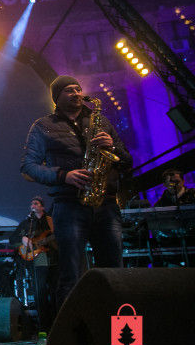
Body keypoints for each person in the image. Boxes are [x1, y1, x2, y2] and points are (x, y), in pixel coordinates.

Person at [21, 75, 132, 307]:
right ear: (57, 97)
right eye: (69, 90)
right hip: (69, 205)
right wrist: (64, 175)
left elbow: (127, 161)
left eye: (78, 89)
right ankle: (71, 328)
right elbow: (28, 167)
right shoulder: (43, 126)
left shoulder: (101, 122)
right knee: (71, 273)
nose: (77, 93)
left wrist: (112, 146)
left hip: (106, 204)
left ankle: (115, 327)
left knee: (115, 272)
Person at [8, 196, 58, 332]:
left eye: (36, 203)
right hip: (39, 258)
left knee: (55, 290)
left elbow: (58, 235)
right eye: (31, 204)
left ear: (42, 207)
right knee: (40, 291)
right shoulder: (27, 223)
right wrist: (23, 238)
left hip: (54, 257)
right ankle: (44, 327)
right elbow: (12, 239)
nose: (33, 205)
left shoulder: (50, 221)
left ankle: (57, 324)